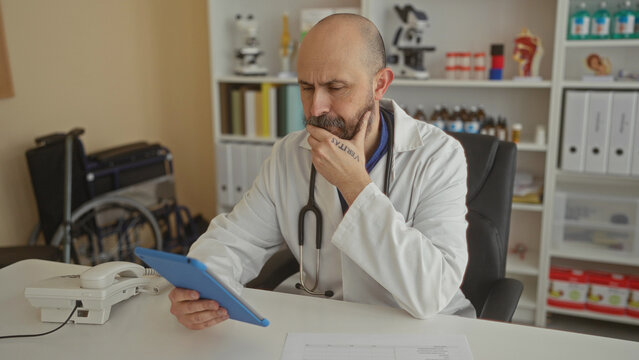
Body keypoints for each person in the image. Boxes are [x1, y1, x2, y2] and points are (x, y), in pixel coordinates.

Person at [169, 14, 474, 330]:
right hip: (324, 326)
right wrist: (200, 286)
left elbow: (432, 293)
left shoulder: (438, 156)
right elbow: (235, 239)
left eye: (335, 87)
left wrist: (354, 185)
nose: (316, 108)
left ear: (380, 84)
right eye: (306, 87)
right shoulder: (289, 155)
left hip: (421, 330)